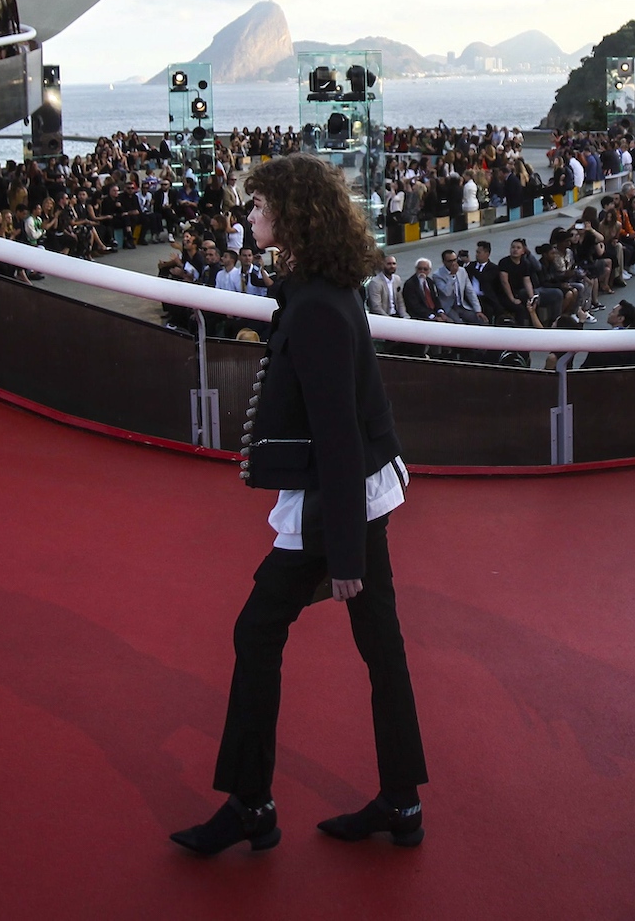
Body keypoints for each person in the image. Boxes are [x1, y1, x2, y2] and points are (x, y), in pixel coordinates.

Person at [171, 153, 426, 855]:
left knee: (258, 632)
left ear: (288, 215)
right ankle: (401, 805)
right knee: (382, 647)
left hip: (335, 504)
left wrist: (342, 555)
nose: (248, 216)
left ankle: (252, 805)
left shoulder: (315, 305)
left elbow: (338, 436)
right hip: (358, 494)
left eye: (257, 206)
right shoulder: (325, 290)